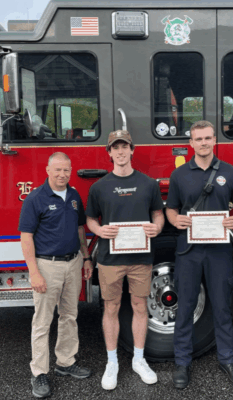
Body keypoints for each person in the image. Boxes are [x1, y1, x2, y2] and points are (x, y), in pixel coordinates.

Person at [166, 120, 233, 389]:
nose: (203, 143)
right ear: (191, 143)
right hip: (188, 250)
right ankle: (182, 362)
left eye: (207, 138)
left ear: (215, 140)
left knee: (223, 305)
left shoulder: (231, 172)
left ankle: (228, 359)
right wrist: (175, 219)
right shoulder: (179, 175)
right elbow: (171, 208)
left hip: (219, 251)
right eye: (198, 139)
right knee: (185, 306)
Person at [86, 130, 165, 390]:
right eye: (115, 148)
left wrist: (157, 227)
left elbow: (158, 213)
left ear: (132, 150)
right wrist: (98, 231)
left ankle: (138, 360)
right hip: (110, 259)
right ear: (109, 153)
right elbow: (90, 219)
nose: (120, 152)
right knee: (111, 307)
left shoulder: (148, 183)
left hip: (141, 257)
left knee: (140, 306)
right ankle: (112, 363)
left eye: (125, 147)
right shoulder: (99, 187)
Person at [19, 152, 93, 399]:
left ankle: (65, 361)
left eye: (66, 170)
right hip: (47, 266)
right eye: (58, 170)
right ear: (48, 170)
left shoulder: (73, 196)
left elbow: (80, 228)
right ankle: (39, 372)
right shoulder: (35, 198)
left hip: (73, 262)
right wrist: (34, 272)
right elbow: (26, 237)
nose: (62, 175)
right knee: (42, 322)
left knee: (70, 315)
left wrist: (86, 257)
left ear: (71, 171)